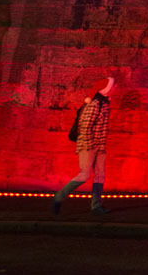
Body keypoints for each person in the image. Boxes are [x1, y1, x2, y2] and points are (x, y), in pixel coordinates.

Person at [53, 77, 115, 215]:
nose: (114, 89)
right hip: (89, 144)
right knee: (84, 175)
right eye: (112, 86)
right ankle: (59, 196)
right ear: (106, 89)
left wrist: (100, 147)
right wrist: (92, 145)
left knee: (100, 175)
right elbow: (86, 127)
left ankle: (96, 206)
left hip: (99, 145)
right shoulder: (94, 104)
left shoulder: (104, 104)